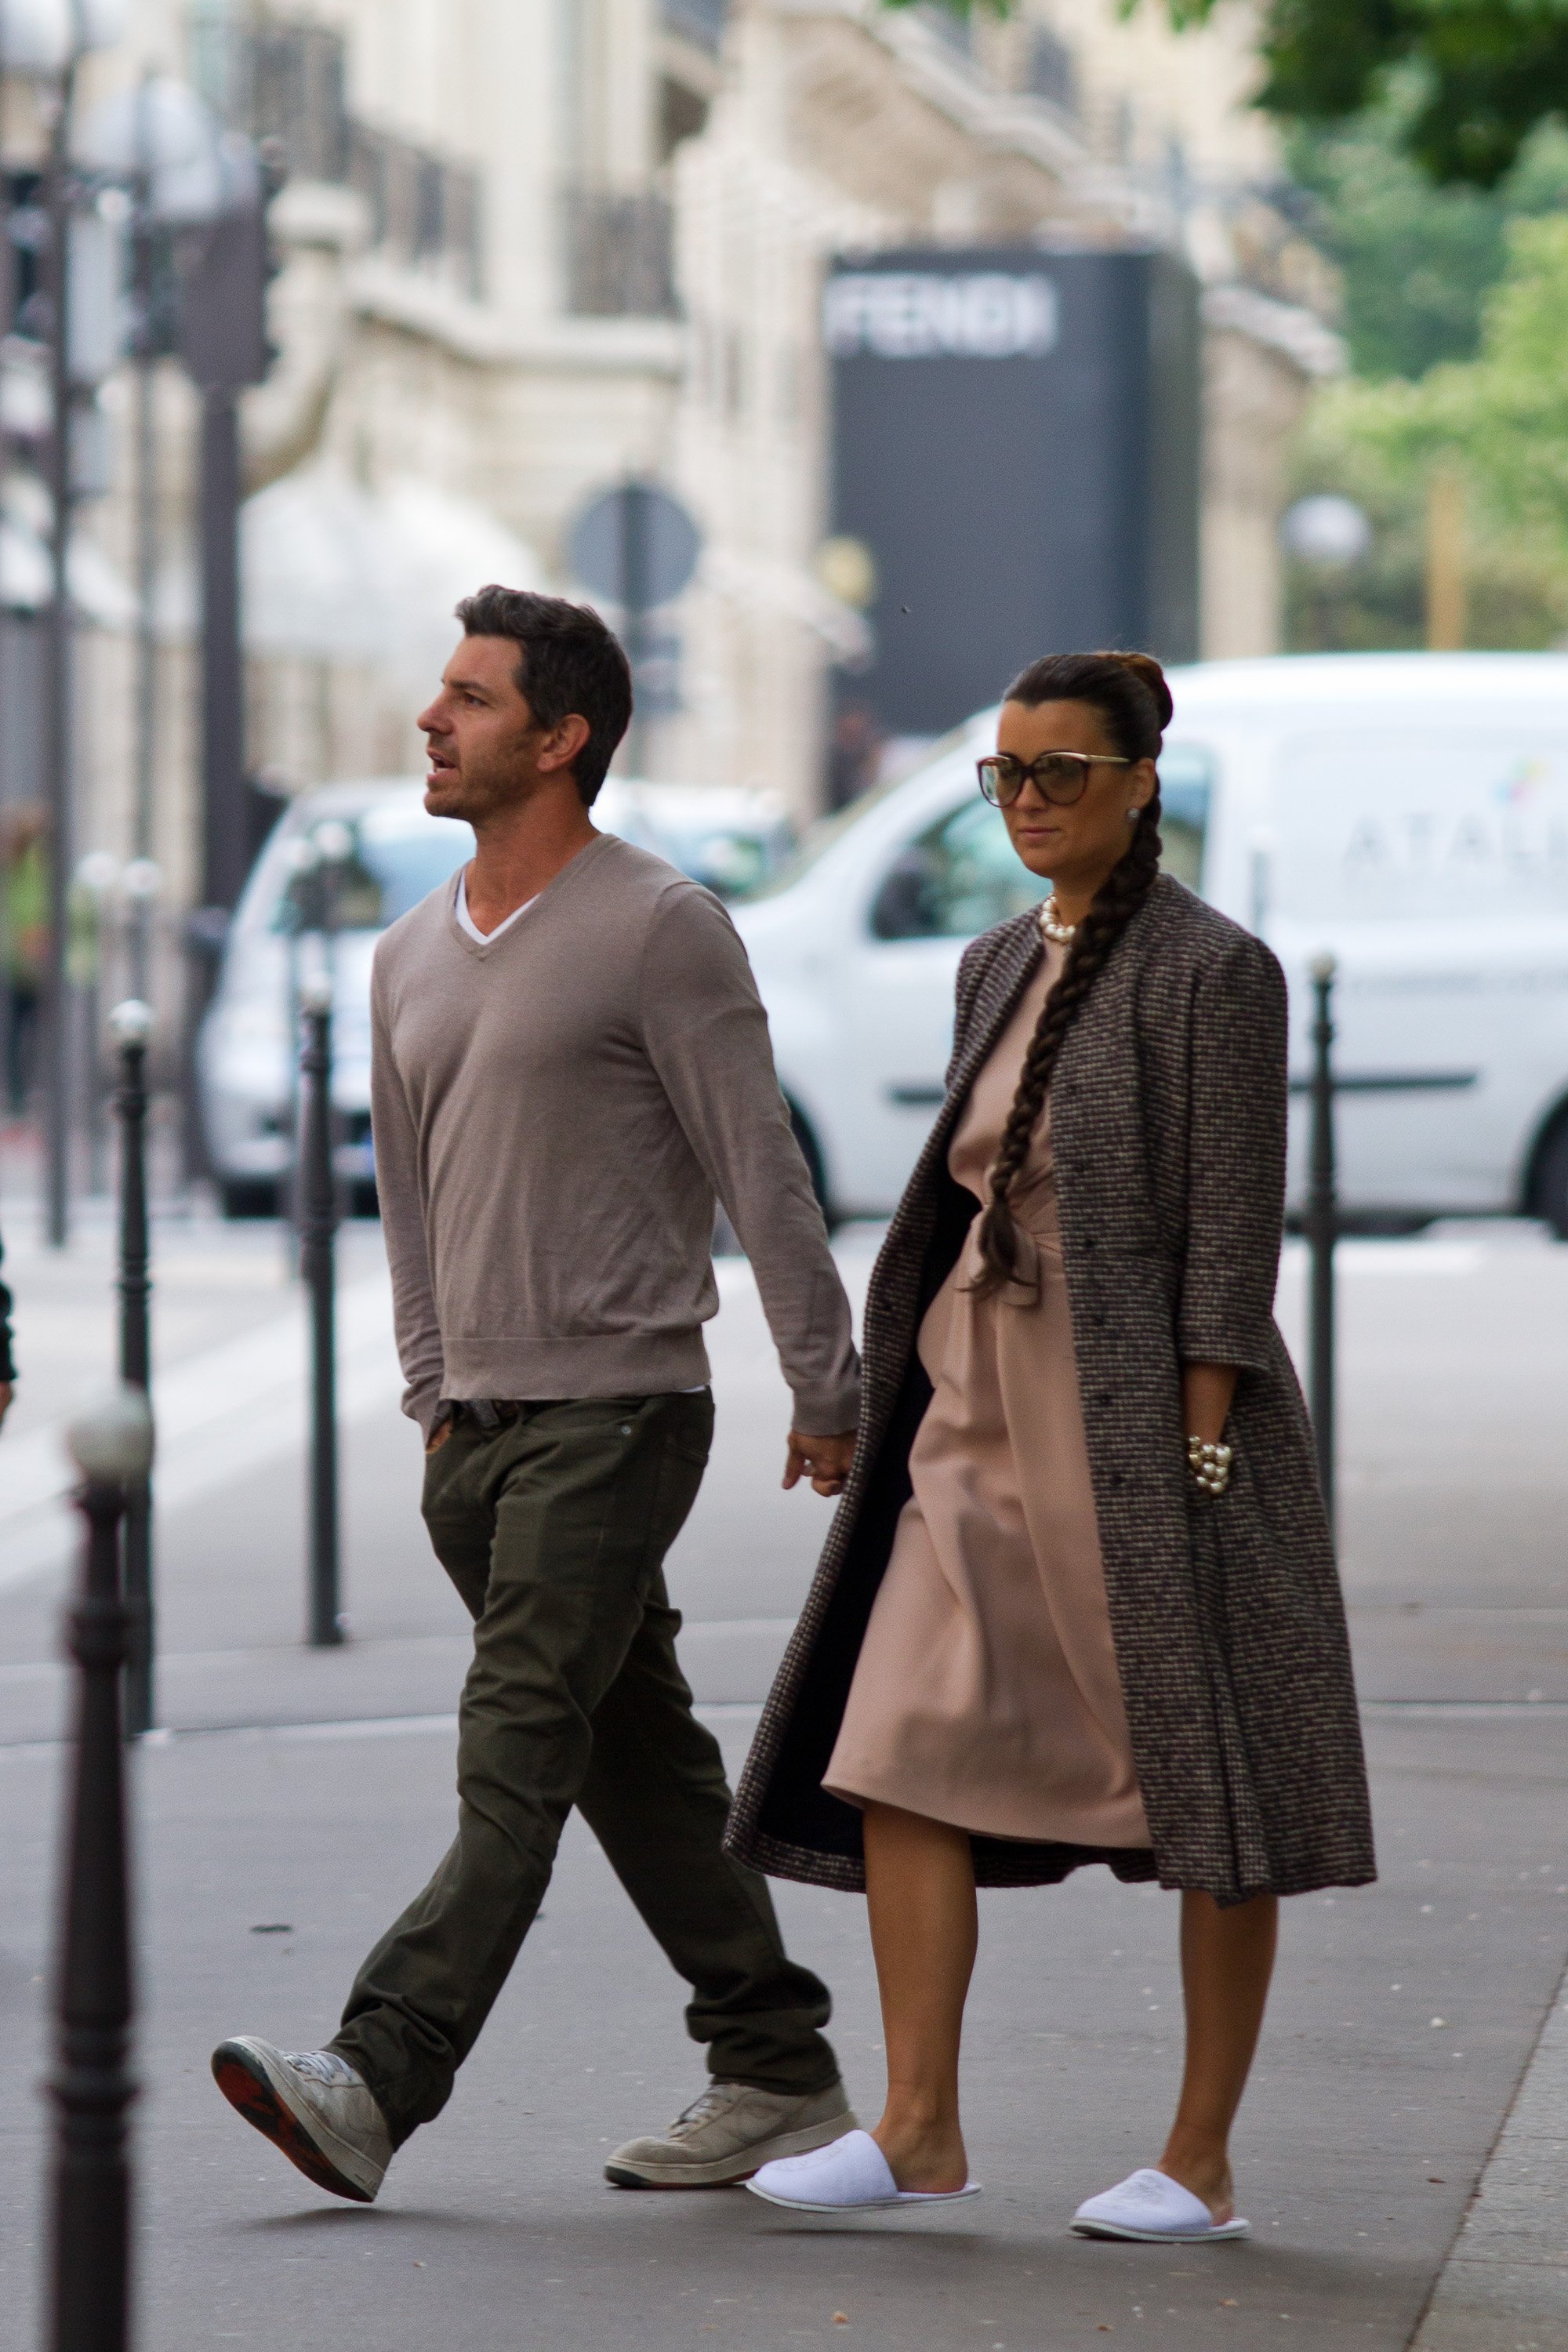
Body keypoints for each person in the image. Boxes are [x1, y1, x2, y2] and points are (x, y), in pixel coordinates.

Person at [212, 588, 862, 2204]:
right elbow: (413, 1206)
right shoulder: (407, 952)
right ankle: (775, 2064)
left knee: (512, 1756)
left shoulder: (662, 925)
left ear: (560, 739)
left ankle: (376, 2074)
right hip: (478, 1437)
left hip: (620, 1410)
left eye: (471, 699)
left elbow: (758, 1169)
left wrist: (825, 1380)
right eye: (439, 694)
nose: (431, 721)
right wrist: (432, 1394)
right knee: (632, 1758)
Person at [726, 650, 1375, 2237]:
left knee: (1207, 1776)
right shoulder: (992, 960)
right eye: (1001, 776)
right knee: (899, 1739)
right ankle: (915, 2124)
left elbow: (1232, 1235)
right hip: (971, 1414)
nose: (1024, 802)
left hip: (1145, 1436)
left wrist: (1204, 1446)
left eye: (1058, 774)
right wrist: (870, 1406)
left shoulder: (1216, 972)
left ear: (1141, 781)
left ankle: (1199, 2161)